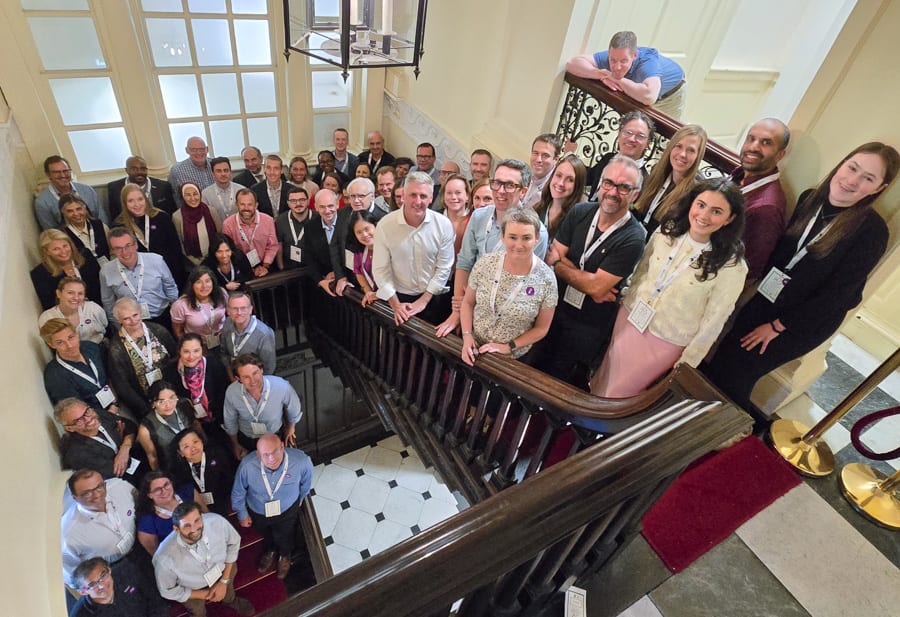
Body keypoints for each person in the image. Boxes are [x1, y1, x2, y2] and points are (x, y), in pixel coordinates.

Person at [705, 143, 899, 416]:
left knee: (740, 368)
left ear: (878, 188)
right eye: (852, 168)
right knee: (723, 352)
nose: (853, 181)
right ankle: (700, 406)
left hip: (802, 322)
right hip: (771, 296)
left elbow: (836, 298)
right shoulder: (811, 199)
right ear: (842, 164)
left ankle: (729, 430)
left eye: (868, 178)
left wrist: (776, 326)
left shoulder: (872, 232)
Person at [591, 178, 747, 399]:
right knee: (607, 371)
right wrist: (626, 300)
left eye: (716, 211)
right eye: (701, 205)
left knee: (622, 390)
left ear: (729, 219)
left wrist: (687, 364)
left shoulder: (732, 267)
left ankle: (596, 423)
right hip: (632, 314)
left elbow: (714, 321)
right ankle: (591, 404)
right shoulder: (668, 231)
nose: (703, 216)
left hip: (666, 338)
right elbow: (642, 271)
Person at [537, 155, 647, 388]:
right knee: (536, 361)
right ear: (600, 184)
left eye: (624, 187)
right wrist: (587, 281)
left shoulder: (633, 237)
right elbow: (551, 256)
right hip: (554, 304)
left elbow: (596, 287)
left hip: (587, 322)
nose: (613, 192)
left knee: (558, 379)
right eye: (608, 183)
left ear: (635, 194)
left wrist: (560, 265)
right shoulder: (580, 212)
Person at [436, 159, 548, 337]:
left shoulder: (535, 232)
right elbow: (465, 262)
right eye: (497, 183)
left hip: (501, 317)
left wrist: (475, 301)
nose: (501, 191)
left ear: (523, 191)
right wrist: (458, 310)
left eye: (510, 185)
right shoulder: (480, 216)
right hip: (468, 302)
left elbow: (524, 284)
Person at [460, 208, 558, 366]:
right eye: (513, 237)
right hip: (473, 346)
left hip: (512, 357)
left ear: (537, 238)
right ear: (503, 237)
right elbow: (468, 302)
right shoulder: (485, 264)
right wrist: (467, 336)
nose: (519, 245)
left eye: (526, 238)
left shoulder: (547, 280)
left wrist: (509, 347)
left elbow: (541, 328)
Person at [373, 171, 456, 326]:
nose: (418, 201)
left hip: (434, 298)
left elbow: (444, 267)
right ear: (403, 195)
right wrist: (396, 305)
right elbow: (380, 270)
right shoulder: (385, 225)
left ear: (431, 198)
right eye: (413, 195)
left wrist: (423, 301)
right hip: (399, 298)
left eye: (423, 196)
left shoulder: (443, 225)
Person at [231, 433, 313, 579]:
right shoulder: (247, 466)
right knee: (265, 533)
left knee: (286, 534)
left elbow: (306, 483)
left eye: (275, 451)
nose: (272, 459)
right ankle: (271, 549)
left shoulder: (301, 461)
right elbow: (238, 492)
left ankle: (285, 556)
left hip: (287, 509)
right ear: (258, 454)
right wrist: (242, 513)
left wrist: (300, 499)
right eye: (265, 454)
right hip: (258, 510)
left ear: (282, 446)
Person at [152, 502, 255, 615]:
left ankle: (230, 600)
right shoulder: (164, 557)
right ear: (176, 529)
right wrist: (206, 594)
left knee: (228, 591)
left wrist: (223, 581)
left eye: (197, 520)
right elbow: (167, 591)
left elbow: (234, 543)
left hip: (222, 570)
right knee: (197, 610)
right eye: (187, 525)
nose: (195, 529)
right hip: (192, 588)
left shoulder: (216, 521)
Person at [566, 30, 687, 119]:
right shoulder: (613, 55)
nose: (617, 66)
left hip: (670, 94)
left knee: (663, 139)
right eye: (613, 60)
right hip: (639, 92)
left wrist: (616, 79)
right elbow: (573, 64)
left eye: (623, 61)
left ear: (634, 55)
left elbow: (649, 96)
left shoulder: (648, 62)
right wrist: (601, 74)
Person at [728, 118, 790, 284]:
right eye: (751, 138)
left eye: (766, 142)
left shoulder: (767, 208)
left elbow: (749, 273)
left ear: (780, 155)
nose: (753, 147)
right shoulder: (739, 174)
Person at [61, 469, 138, 587]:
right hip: (110, 572)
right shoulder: (68, 534)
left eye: (99, 487)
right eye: (87, 493)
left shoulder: (120, 487)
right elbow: (72, 575)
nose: (97, 495)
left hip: (139, 549)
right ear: (75, 497)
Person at [632, 124, 708, 236]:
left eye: (691, 150)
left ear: (698, 156)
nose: (682, 154)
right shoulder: (657, 171)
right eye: (679, 146)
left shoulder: (696, 193)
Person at [223, 353, 302, 459]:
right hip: (247, 440)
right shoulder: (232, 392)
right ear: (238, 378)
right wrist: (236, 445)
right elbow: (230, 421)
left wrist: (291, 428)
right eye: (246, 377)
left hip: (274, 436)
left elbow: (294, 409)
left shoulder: (282, 386)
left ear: (261, 370)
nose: (253, 380)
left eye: (255, 373)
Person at [107, 298, 177, 416]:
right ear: (119, 320)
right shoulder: (116, 348)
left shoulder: (158, 330)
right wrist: (146, 408)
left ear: (140, 312)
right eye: (126, 318)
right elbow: (123, 385)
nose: (133, 321)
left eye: (135, 315)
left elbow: (175, 356)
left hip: (173, 392)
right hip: (147, 402)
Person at [100, 228, 179, 330]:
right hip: (130, 324)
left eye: (128, 246)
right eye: (118, 248)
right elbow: (108, 303)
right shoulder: (106, 271)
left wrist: (175, 315)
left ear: (136, 245)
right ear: (112, 251)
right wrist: (118, 326)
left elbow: (170, 287)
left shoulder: (157, 260)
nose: (124, 252)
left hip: (161, 318)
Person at [114, 183, 185, 288]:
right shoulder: (120, 225)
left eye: (140, 199)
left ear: (145, 199)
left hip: (167, 273)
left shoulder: (162, 217)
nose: (137, 204)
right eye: (130, 201)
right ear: (124, 203)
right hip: (139, 280)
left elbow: (175, 250)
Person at [42, 320, 119, 414]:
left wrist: (115, 402)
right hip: (96, 418)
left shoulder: (90, 347)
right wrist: (109, 415)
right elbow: (74, 412)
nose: (69, 345)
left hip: (116, 399)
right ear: (51, 345)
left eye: (71, 337)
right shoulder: (55, 375)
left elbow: (112, 371)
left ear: (77, 334)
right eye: (60, 342)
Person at [54, 399, 143, 481]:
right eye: (79, 420)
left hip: (136, 454)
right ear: (70, 428)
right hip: (123, 480)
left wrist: (125, 447)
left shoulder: (99, 415)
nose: (88, 419)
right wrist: (124, 439)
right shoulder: (76, 454)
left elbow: (130, 425)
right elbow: (115, 471)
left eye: (86, 411)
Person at [162, 334, 230, 436]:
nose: (191, 356)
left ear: (202, 350)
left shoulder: (214, 364)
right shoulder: (169, 372)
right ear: (179, 351)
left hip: (219, 418)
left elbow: (224, 392)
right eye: (186, 352)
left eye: (196, 351)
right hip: (190, 423)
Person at [583, 111, 655, 199]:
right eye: (628, 132)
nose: (632, 139)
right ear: (619, 133)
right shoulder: (608, 158)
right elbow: (587, 177)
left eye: (640, 136)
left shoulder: (645, 183)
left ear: (648, 143)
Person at [70, 556, 168, 617]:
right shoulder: (80, 614)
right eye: (93, 584)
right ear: (82, 592)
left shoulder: (127, 571)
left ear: (109, 569)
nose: (102, 585)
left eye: (103, 576)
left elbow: (155, 601)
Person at [331, 177, 386, 286]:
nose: (356, 200)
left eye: (361, 196)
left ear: (372, 196)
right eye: (352, 196)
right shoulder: (342, 213)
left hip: (373, 283)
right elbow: (335, 245)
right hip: (347, 280)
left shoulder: (383, 218)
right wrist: (340, 276)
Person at [136, 380, 202, 471]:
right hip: (175, 468)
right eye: (161, 401)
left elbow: (197, 426)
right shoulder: (146, 428)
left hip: (198, 456)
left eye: (172, 398)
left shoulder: (184, 404)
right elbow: (152, 457)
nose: (168, 405)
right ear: (153, 403)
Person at [136, 471, 206, 555]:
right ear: (149, 495)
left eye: (166, 485)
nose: (164, 491)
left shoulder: (188, 492)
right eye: (157, 489)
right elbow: (158, 556)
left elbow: (209, 519)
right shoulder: (147, 524)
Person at [171, 428, 236, 517]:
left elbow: (230, 479)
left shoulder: (219, 455)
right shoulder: (177, 470)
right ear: (180, 452)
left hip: (223, 503)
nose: (193, 448)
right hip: (196, 511)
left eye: (195, 442)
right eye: (186, 446)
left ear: (201, 441)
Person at [31, 229, 102, 310]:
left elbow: (101, 285)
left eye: (65, 246)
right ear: (46, 252)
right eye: (56, 249)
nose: (63, 251)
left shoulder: (86, 256)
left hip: (98, 309)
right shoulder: (40, 274)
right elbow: (50, 305)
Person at [34, 155, 107, 231]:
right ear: (48, 175)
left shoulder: (87, 190)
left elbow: (102, 218)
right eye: (57, 172)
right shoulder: (42, 202)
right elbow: (52, 232)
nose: (62, 175)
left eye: (65, 171)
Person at [221, 188, 279, 278]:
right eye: (242, 204)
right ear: (237, 205)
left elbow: (272, 246)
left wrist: (264, 266)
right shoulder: (228, 224)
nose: (246, 208)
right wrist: (248, 269)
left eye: (250, 204)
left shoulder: (268, 220)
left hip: (266, 266)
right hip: (241, 268)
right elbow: (230, 251)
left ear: (256, 205)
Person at [220, 291, 277, 376]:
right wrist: (231, 375)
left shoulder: (264, 334)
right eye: (234, 309)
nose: (239, 313)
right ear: (228, 311)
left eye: (243, 308)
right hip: (233, 375)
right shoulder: (227, 323)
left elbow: (268, 368)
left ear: (250, 309)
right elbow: (223, 352)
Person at [300, 188, 343, 297]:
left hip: (347, 282)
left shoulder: (347, 223)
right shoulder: (310, 227)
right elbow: (309, 257)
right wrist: (320, 280)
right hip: (324, 284)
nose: (327, 211)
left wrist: (339, 274)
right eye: (322, 207)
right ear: (315, 207)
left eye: (330, 206)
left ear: (337, 204)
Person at [534, 154, 587, 242]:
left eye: (570, 180)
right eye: (558, 175)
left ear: (577, 186)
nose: (561, 183)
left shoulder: (577, 223)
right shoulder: (538, 209)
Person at [39, 277, 108, 344]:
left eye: (80, 293)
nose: (76, 297)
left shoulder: (93, 309)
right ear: (58, 293)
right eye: (70, 293)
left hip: (99, 347)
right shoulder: (47, 318)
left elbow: (105, 325)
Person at [107, 155, 176, 221]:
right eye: (134, 169)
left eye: (143, 169)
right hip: (129, 228)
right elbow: (115, 216)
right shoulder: (114, 188)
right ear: (126, 170)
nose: (139, 172)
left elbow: (171, 213)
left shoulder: (163, 186)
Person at [170, 266, 228, 343]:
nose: (204, 286)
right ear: (192, 285)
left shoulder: (222, 293)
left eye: (207, 281)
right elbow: (178, 331)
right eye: (199, 282)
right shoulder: (181, 305)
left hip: (223, 339)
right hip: (198, 345)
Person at [172, 181, 222, 267]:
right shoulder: (177, 216)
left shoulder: (211, 211)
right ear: (183, 197)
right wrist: (195, 261)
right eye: (188, 195)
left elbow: (220, 234)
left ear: (200, 194)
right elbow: (180, 243)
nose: (192, 198)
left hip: (215, 258)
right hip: (193, 263)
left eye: (195, 194)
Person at [59, 193, 111, 264]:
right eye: (70, 211)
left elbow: (112, 251)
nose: (76, 214)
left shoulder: (101, 226)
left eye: (78, 209)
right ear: (64, 213)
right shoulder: (63, 234)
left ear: (85, 208)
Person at [167, 137, 214, 208]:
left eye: (202, 149)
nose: (198, 153)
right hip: (193, 213)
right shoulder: (177, 170)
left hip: (217, 210)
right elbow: (175, 195)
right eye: (194, 150)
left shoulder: (215, 165)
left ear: (207, 149)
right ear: (187, 150)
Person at [346, 210, 379, 307]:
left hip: (396, 298)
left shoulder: (388, 247)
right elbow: (358, 272)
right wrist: (368, 291)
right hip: (373, 299)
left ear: (375, 226)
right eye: (359, 232)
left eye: (367, 229)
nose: (364, 235)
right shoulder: (360, 250)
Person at [275, 186, 312, 270]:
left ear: (308, 201)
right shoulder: (280, 220)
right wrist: (281, 268)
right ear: (288, 203)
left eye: (302, 200)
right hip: (289, 269)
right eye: (293, 201)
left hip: (313, 268)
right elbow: (279, 245)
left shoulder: (317, 218)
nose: (298, 204)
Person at [522, 134, 562, 209]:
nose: (538, 159)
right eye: (535, 153)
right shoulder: (523, 175)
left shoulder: (556, 190)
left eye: (545, 155)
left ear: (556, 160)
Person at [252, 154, 296, 218]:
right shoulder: (255, 190)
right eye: (269, 168)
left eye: (276, 168)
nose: (272, 172)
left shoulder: (291, 189)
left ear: (281, 170)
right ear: (264, 169)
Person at [439, 173, 471, 260]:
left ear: (467, 196)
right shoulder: (435, 218)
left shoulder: (474, 220)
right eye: (449, 193)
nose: (453, 197)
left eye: (458, 193)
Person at [201, 156, 241, 221]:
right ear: (213, 174)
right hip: (216, 230)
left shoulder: (241, 190)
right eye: (219, 171)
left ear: (230, 172)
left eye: (226, 170)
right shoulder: (205, 195)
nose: (223, 174)